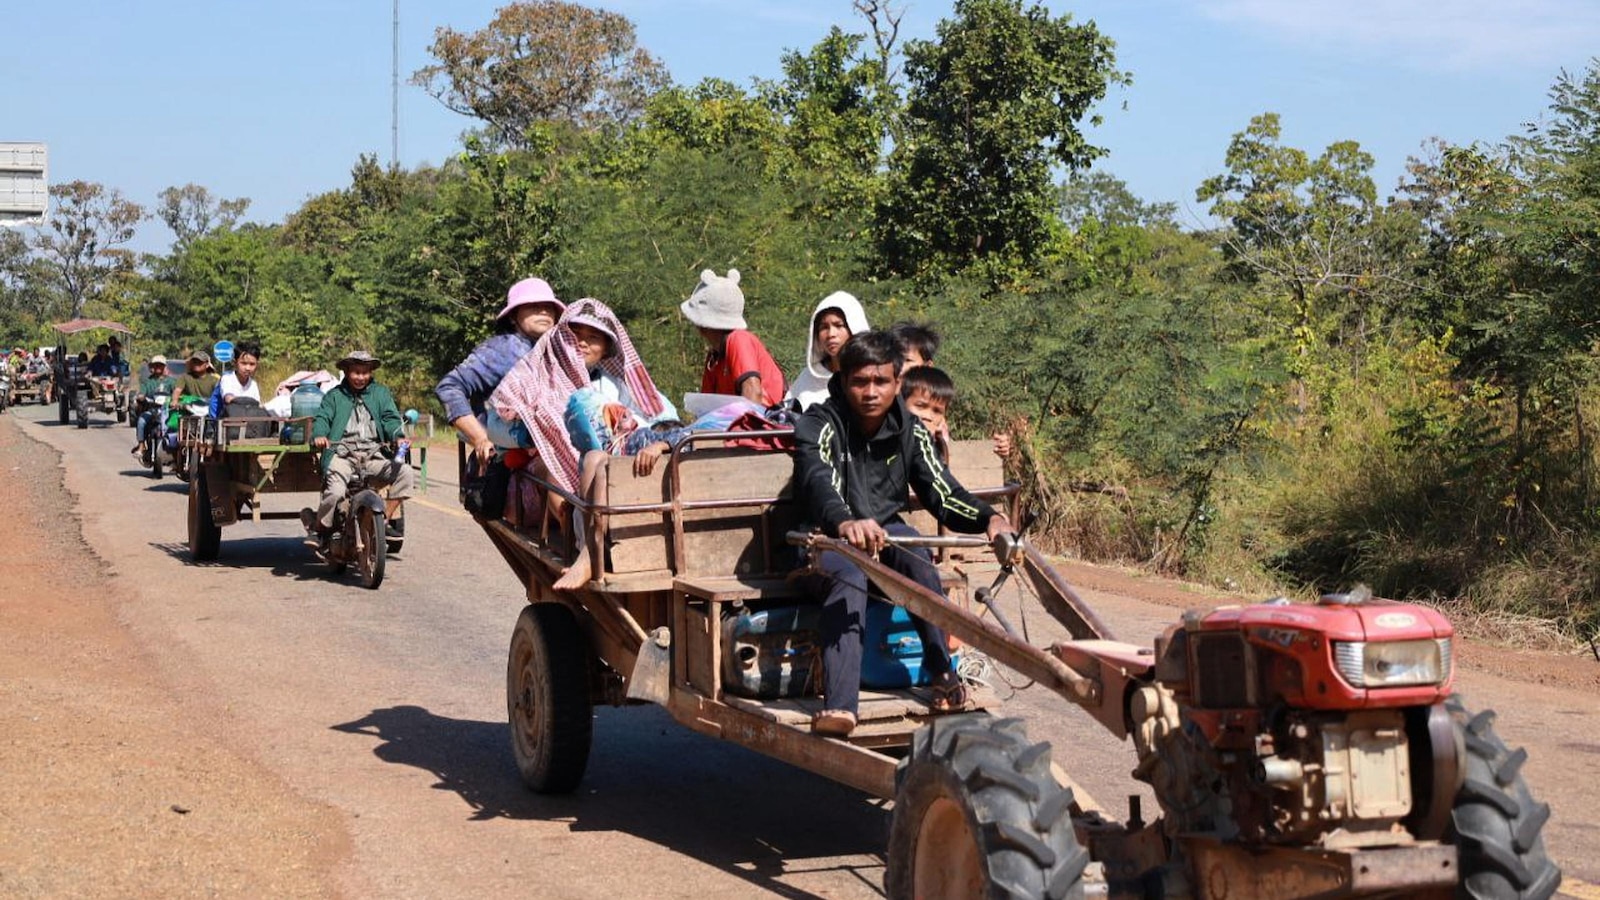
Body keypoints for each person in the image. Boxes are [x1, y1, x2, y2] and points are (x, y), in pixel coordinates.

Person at [791, 331, 1014, 736]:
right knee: (851, 573)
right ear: (843, 383)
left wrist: (989, 519)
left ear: (898, 383)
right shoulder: (820, 423)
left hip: (884, 532)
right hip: (821, 539)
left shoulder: (908, 427)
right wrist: (844, 521)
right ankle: (841, 706)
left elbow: (942, 490)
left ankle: (942, 674)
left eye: (881, 382)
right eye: (860, 381)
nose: (871, 392)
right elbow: (817, 478)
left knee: (919, 561)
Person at [491, 298, 675, 589]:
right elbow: (497, 425)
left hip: (613, 468)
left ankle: (621, 542)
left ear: (606, 349)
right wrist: (536, 435)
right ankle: (578, 544)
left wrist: (648, 437)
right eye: (575, 336)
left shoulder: (616, 385)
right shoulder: (536, 374)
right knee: (552, 472)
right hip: (552, 467)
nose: (583, 344)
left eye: (593, 339)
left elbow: (661, 416)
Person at [437, 277, 565, 469]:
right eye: (533, 306)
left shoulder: (561, 351)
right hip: (503, 460)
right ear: (514, 317)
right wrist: (480, 438)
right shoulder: (503, 350)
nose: (543, 311)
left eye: (549, 306)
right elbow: (449, 387)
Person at [300, 351, 414, 550]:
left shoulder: (381, 393)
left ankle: (382, 521)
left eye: (365, 372)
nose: (360, 377)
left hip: (373, 454)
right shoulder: (334, 396)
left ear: (371, 373)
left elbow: (391, 419)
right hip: (342, 454)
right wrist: (319, 435)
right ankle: (319, 529)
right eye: (356, 372)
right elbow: (322, 419)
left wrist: (398, 436)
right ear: (346, 372)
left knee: (405, 472)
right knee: (335, 492)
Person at [678, 268, 786, 406]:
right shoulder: (714, 357)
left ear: (702, 326)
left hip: (765, 422)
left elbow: (753, 392)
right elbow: (707, 408)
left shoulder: (739, 340)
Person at [784, 291, 870, 411]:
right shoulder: (808, 378)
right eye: (824, 327)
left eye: (839, 325)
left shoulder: (872, 374)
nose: (831, 334)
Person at [130, 355, 177, 455]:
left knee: (177, 425)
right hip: (151, 411)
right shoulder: (147, 381)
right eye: (156, 365)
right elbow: (142, 393)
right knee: (141, 421)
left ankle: (176, 450)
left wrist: (175, 401)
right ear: (152, 367)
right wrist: (141, 397)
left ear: (164, 367)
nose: (158, 367)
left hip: (167, 412)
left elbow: (176, 394)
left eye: (160, 365)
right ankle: (141, 445)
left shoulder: (171, 381)